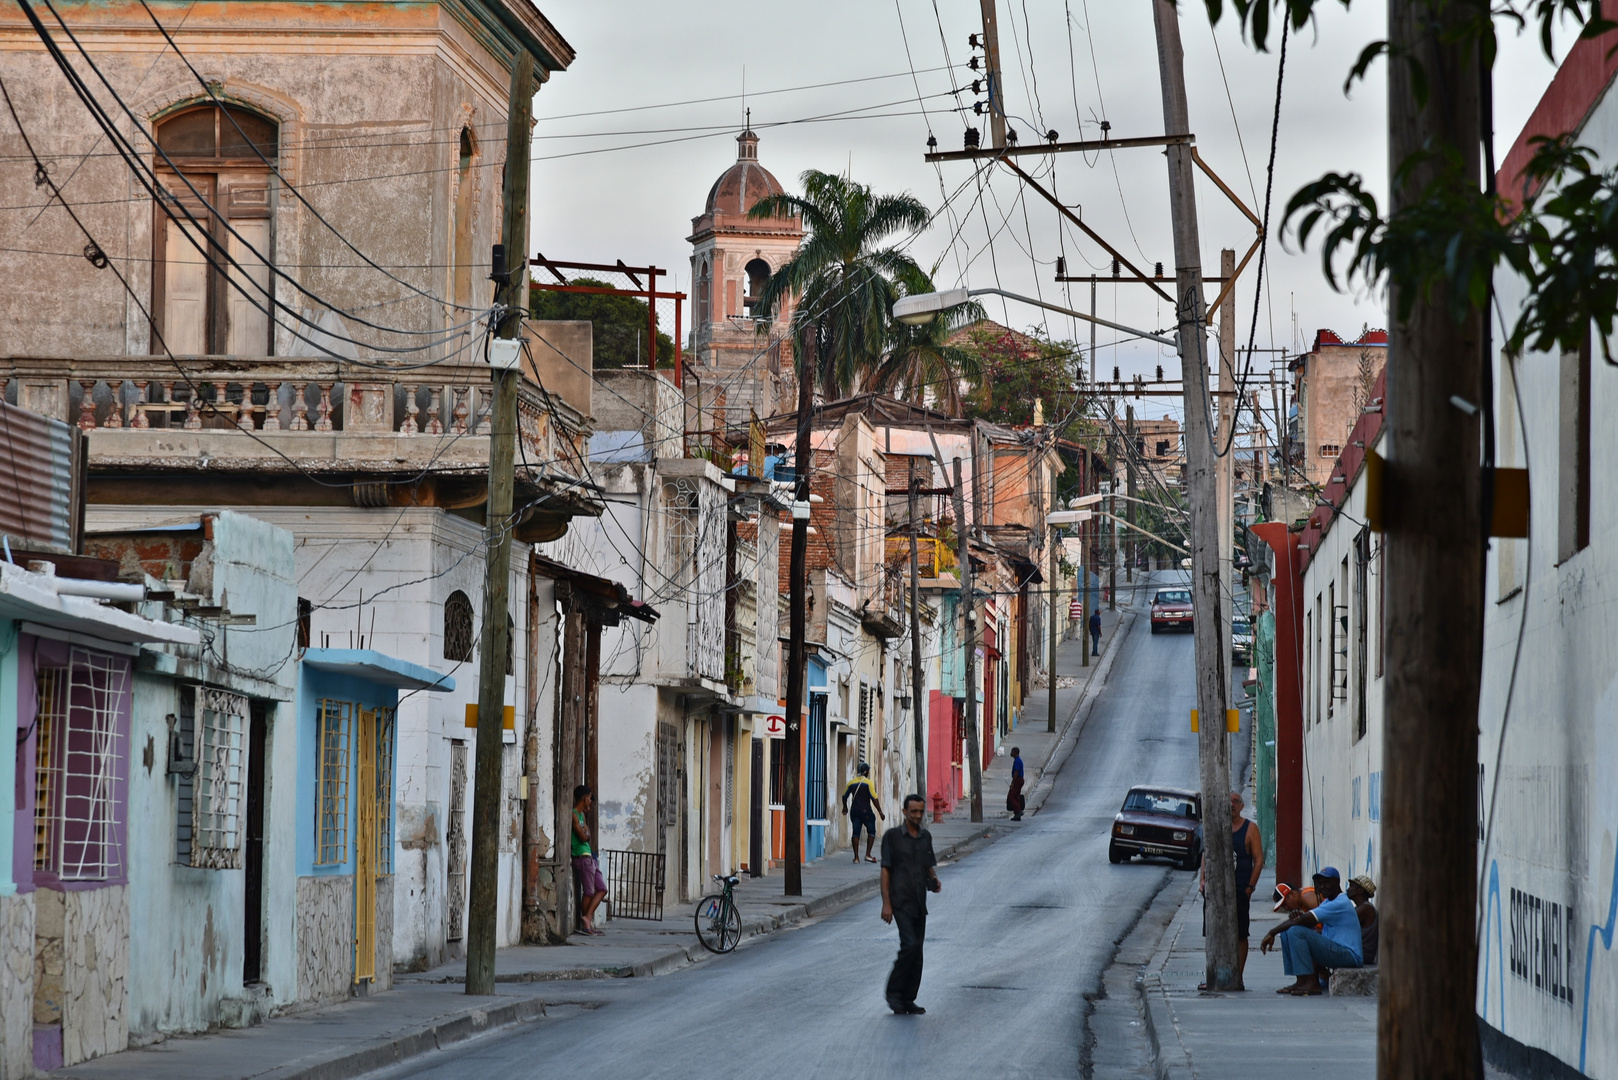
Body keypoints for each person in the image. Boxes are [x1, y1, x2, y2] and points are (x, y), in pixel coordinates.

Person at [881, 794, 941, 1015]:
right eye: (913, 811)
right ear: (904, 812)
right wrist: (886, 903)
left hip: (919, 902)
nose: (917, 815)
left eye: (920, 811)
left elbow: (927, 866)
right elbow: (885, 870)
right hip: (900, 902)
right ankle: (893, 993)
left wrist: (934, 881)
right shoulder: (892, 837)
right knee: (909, 945)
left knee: (918, 953)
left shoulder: (925, 837)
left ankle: (908, 999)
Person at [1259, 866, 1364, 994]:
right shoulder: (1328, 902)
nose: (1322, 887)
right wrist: (1298, 919)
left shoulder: (1339, 902)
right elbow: (1303, 920)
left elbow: (1304, 920)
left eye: (1326, 883)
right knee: (1288, 930)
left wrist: (1272, 932)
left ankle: (1312, 983)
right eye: (1320, 884)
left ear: (1336, 882)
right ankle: (1301, 981)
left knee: (1295, 931)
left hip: (1349, 956)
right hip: (1337, 950)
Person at [571, 785, 608, 936]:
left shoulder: (582, 816)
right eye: (590, 798)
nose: (590, 801)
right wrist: (585, 834)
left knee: (602, 889)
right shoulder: (573, 814)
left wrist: (585, 834)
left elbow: (587, 834)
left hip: (589, 856)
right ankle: (585, 924)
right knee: (589, 891)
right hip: (581, 857)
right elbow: (582, 836)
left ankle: (587, 917)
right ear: (584, 798)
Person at [841, 763, 884, 863]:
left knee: (856, 833)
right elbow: (874, 798)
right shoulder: (869, 783)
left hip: (855, 811)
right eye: (868, 770)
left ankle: (856, 858)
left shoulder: (851, 783)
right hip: (866, 811)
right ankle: (868, 854)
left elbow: (844, 796)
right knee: (872, 831)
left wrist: (845, 807)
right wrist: (880, 812)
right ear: (866, 772)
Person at [1348, 874, 1379, 965]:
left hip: (1362, 954)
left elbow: (1344, 923)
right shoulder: (1360, 907)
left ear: (1360, 890)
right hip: (1358, 952)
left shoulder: (1366, 908)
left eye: (1351, 887)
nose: (1348, 889)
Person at [1007, 747, 1025, 820]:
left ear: (1015, 752)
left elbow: (1016, 772)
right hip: (1019, 780)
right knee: (1016, 796)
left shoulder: (1017, 761)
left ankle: (1018, 811)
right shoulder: (1018, 760)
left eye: (1012, 751)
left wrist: (1013, 783)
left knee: (1011, 797)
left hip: (1018, 780)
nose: (1011, 753)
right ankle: (1017, 816)